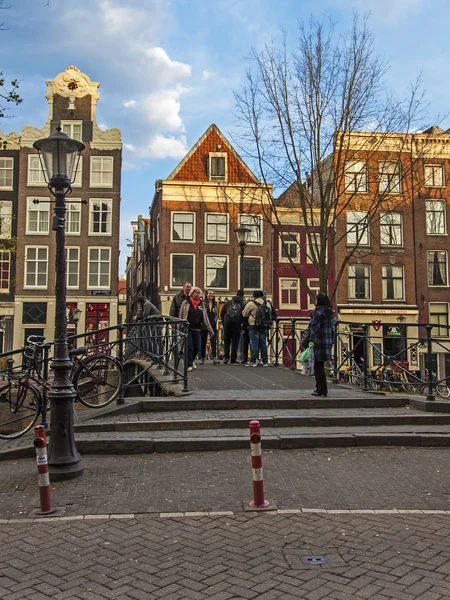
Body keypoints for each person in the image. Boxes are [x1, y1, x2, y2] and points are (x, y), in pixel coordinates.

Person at [179, 287, 213, 372]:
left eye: (199, 293)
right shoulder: (186, 302)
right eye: (196, 293)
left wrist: (210, 329)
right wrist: (179, 326)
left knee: (197, 347)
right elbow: (181, 314)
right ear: (192, 294)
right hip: (187, 327)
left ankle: (191, 360)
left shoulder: (201, 305)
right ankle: (188, 365)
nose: (198, 295)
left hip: (198, 328)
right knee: (189, 346)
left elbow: (205, 317)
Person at [308, 292, 335, 397]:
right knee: (321, 365)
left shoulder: (318, 313)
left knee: (318, 365)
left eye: (316, 299)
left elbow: (315, 328)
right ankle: (322, 388)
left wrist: (311, 340)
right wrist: (332, 341)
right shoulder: (330, 313)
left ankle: (321, 389)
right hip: (327, 341)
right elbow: (332, 329)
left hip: (319, 341)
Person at [242, 290, 276, 367]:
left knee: (254, 343)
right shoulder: (267, 303)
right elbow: (270, 314)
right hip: (264, 326)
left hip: (253, 326)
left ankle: (254, 361)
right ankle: (265, 361)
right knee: (263, 343)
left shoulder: (251, 303)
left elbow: (244, 314)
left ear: (254, 296)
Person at [220, 289, 245, 364]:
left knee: (227, 341)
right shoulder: (243, 304)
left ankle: (226, 357)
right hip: (237, 325)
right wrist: (242, 326)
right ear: (243, 296)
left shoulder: (228, 302)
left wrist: (224, 324)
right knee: (235, 342)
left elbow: (222, 314)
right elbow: (244, 316)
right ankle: (233, 359)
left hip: (227, 325)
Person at [200, 290, 219, 365]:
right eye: (209, 293)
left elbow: (216, 314)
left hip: (213, 325)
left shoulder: (216, 303)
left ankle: (214, 358)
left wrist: (215, 321)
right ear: (206, 295)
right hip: (204, 325)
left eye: (212, 294)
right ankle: (202, 358)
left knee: (213, 341)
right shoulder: (203, 303)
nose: (211, 295)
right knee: (203, 341)